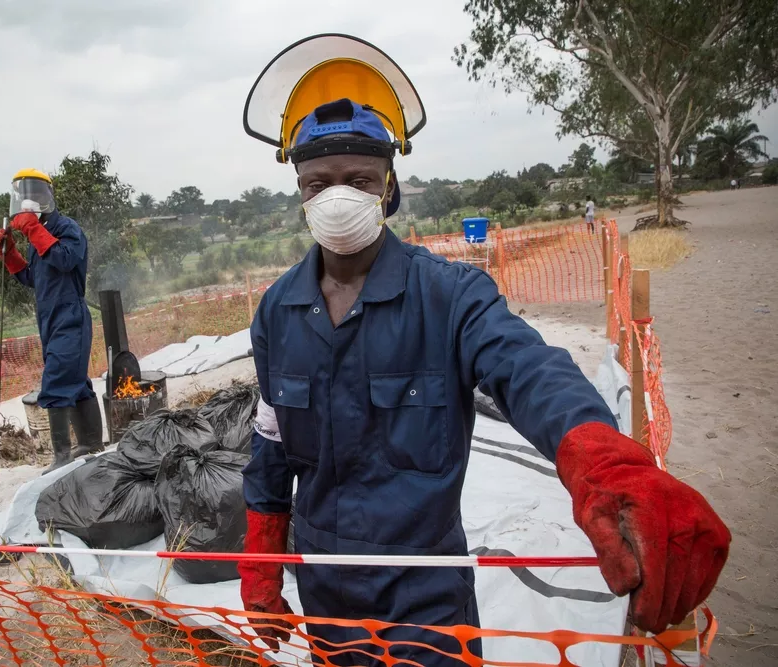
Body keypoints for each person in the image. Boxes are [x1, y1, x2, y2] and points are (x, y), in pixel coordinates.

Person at [238, 99, 730, 665]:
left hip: (425, 597)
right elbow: (271, 446)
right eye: (318, 184)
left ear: (387, 187)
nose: (337, 197)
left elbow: (527, 367)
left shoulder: (451, 296)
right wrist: (260, 569)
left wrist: (602, 462)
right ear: (300, 191)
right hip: (322, 587)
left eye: (358, 179)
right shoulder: (276, 311)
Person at [0, 168, 104, 473]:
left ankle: (63, 455)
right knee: (76, 384)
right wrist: (11, 254)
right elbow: (35, 278)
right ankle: (92, 442)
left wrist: (33, 232)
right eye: (23, 198)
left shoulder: (67, 228)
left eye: (33, 196)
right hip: (51, 322)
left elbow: (66, 259)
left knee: (55, 381)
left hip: (71, 319)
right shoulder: (37, 236)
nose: (28, 204)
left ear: (45, 197)